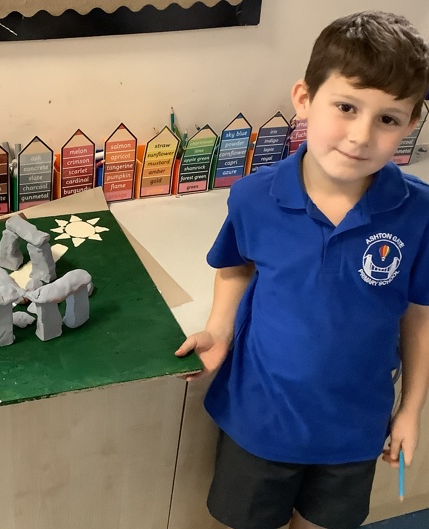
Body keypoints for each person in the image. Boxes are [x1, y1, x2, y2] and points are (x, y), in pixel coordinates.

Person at [175, 11, 429, 529]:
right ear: (304, 98)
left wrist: (410, 409)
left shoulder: (418, 213)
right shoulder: (254, 197)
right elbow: (235, 267)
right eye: (346, 107)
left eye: (388, 119)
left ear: (411, 123)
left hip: (354, 428)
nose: (360, 136)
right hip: (258, 418)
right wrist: (219, 330)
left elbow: (418, 314)